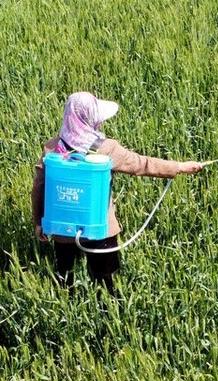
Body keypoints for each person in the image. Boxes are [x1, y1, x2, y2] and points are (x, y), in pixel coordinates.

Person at [31, 92, 203, 295]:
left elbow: (38, 188)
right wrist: (179, 167)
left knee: (64, 276)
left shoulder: (52, 149)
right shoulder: (106, 149)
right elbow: (142, 164)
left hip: (63, 230)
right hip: (100, 229)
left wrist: (39, 222)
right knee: (106, 280)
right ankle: (109, 314)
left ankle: (68, 306)